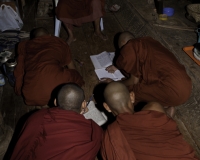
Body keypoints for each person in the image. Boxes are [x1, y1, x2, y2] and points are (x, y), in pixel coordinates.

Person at [101, 82, 198, 160]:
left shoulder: (109, 136)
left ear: (107, 107)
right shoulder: (153, 109)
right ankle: (167, 117)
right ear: (132, 96)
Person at [10, 83, 103, 160]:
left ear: (55, 102)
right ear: (83, 104)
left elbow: (23, 148)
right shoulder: (94, 130)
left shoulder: (38, 116)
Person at [104, 31, 192, 107]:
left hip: (172, 90)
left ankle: (159, 112)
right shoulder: (148, 41)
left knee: (131, 92)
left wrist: (115, 83)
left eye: (121, 50)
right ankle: (165, 107)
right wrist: (117, 66)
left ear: (123, 43)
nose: (122, 53)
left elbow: (134, 81)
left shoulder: (129, 48)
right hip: (186, 86)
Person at [14, 27, 84, 106]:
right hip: (60, 91)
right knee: (74, 75)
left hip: (32, 95)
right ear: (50, 35)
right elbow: (72, 68)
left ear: (33, 39)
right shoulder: (58, 42)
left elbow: (19, 71)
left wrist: (19, 90)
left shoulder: (25, 46)